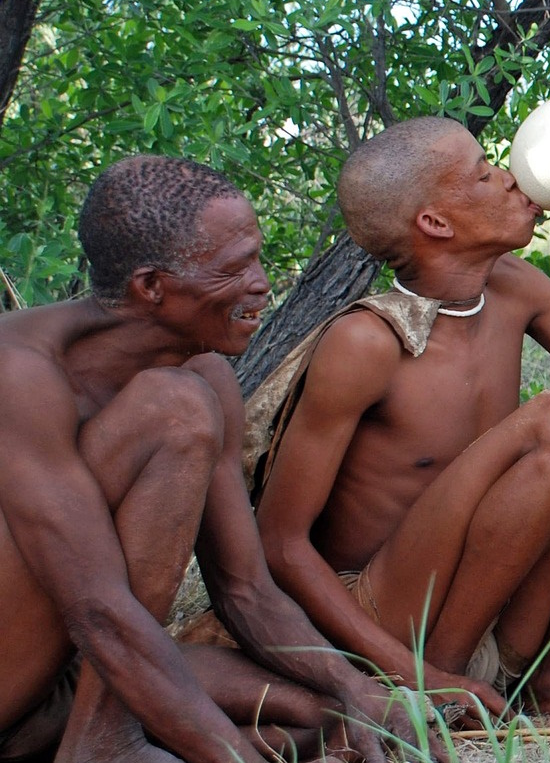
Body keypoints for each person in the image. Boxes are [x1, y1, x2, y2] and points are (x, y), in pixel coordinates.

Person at [252, 108, 550, 723]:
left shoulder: (512, 287)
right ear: (434, 222)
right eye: (485, 174)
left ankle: (545, 673)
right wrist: (417, 674)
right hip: (388, 620)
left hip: (494, 597)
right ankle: (449, 683)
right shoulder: (367, 342)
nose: (513, 176)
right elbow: (279, 544)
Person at [0, 156, 416, 763]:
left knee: (330, 717)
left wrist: (359, 690)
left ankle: (104, 736)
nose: (263, 282)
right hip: (22, 675)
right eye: (235, 267)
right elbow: (97, 611)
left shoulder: (206, 373)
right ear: (151, 287)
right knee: (174, 407)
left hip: (65, 685)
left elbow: (244, 589)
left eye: (256, 256)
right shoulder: (21, 373)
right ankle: (105, 744)